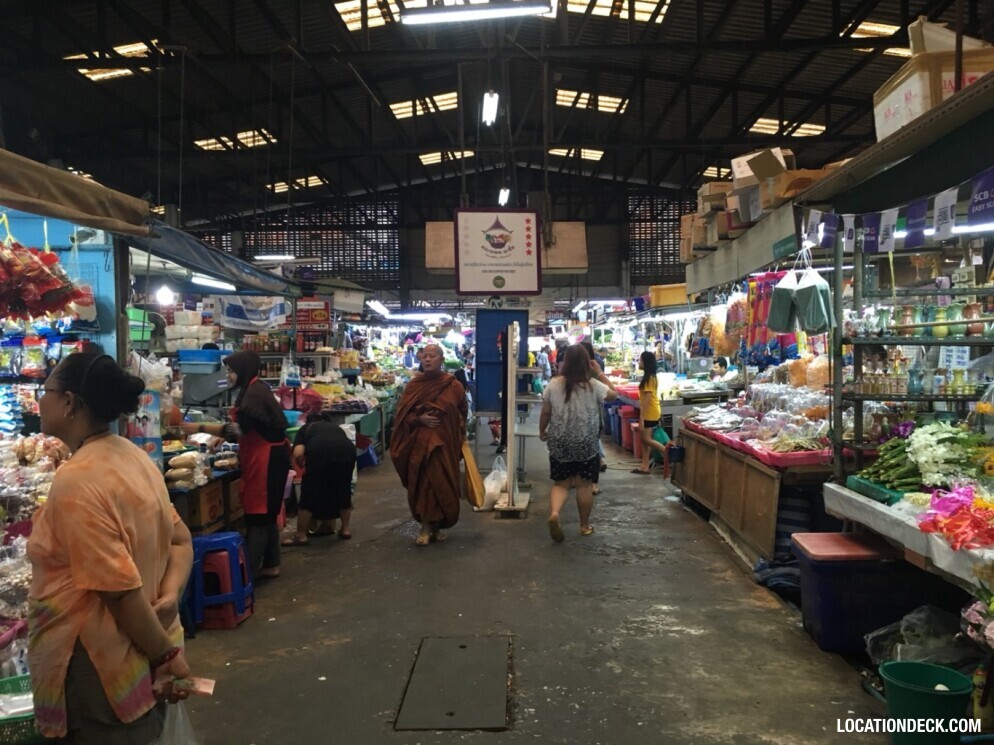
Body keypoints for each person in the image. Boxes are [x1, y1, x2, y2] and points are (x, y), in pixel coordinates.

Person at [28, 353, 193, 742]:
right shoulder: (133, 456)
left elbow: (118, 593)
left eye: (46, 391)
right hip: (143, 649)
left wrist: (166, 658)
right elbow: (181, 540)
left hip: (95, 665)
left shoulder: (77, 481)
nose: (40, 400)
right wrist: (169, 596)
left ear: (69, 401)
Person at [184, 350, 290, 578]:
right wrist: (226, 435)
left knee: (259, 516)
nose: (229, 376)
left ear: (242, 370)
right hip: (266, 457)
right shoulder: (253, 388)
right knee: (267, 513)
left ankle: (245, 577)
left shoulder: (254, 392)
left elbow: (239, 429)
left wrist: (200, 428)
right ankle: (271, 565)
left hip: (267, 460)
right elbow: (245, 426)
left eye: (231, 371)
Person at [390, 344, 467, 546]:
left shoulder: (454, 385)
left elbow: (462, 414)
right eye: (424, 356)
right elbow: (402, 417)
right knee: (425, 483)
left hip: (446, 442)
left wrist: (459, 437)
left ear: (442, 360)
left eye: (432, 356)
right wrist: (419, 418)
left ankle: (439, 525)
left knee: (443, 482)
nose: (427, 359)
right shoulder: (414, 385)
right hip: (422, 444)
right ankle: (425, 526)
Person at [539, 344, 617, 542]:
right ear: (586, 364)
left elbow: (546, 412)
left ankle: (555, 514)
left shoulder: (553, 384)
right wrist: (599, 372)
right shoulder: (593, 385)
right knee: (584, 486)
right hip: (586, 444)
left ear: (565, 363)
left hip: (560, 442)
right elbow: (614, 394)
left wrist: (542, 430)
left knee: (561, 484)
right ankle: (584, 526)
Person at [282, 412, 358, 546]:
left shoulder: (305, 429)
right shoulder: (335, 428)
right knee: (343, 490)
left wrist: (304, 467)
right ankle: (345, 529)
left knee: (309, 495)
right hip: (347, 453)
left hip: (320, 453)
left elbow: (298, 454)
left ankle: (301, 535)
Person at [631, 351, 670, 476]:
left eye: (641, 360)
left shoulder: (649, 378)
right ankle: (645, 465)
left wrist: (641, 417)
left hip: (650, 412)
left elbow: (647, 399)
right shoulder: (651, 377)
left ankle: (667, 452)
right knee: (644, 441)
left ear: (646, 363)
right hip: (651, 411)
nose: (639, 363)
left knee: (645, 439)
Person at [580, 341, 609, 491]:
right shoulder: (594, 368)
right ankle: (592, 483)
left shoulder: (588, 369)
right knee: (590, 450)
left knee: (586, 451)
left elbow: (611, 393)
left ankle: (587, 481)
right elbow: (611, 393)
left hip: (582, 417)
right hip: (592, 416)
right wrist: (600, 373)